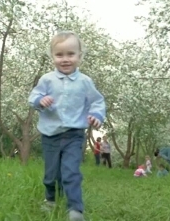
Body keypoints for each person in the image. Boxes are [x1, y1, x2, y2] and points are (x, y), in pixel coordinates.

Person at [28, 31, 106, 221]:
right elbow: (33, 97)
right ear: (52, 56)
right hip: (50, 135)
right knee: (51, 173)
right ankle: (51, 199)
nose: (65, 59)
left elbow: (97, 101)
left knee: (71, 171)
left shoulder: (85, 82)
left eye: (70, 54)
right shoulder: (47, 79)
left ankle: (75, 209)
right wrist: (41, 100)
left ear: (79, 56)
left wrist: (96, 115)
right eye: (59, 55)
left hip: (73, 135)